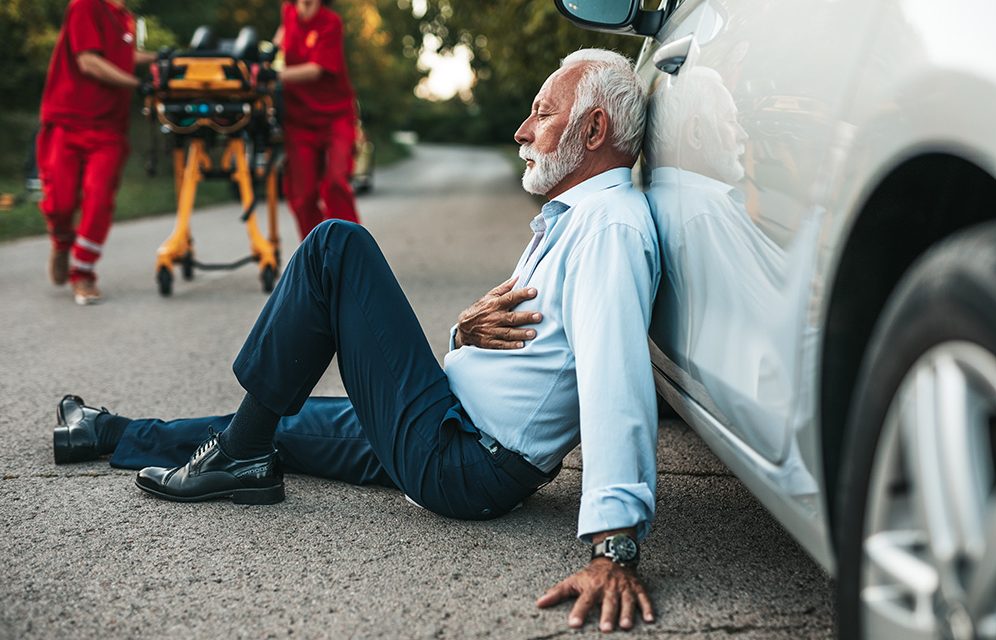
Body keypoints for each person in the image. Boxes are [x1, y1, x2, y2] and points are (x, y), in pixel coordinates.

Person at [52, 49, 659, 632]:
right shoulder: (576, 221)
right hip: (447, 420)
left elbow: (616, 381)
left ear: (594, 127)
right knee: (272, 425)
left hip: (465, 460)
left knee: (336, 247)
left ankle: (240, 456)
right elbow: (532, 355)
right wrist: (462, 334)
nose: (523, 131)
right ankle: (110, 432)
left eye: (543, 113)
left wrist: (615, 545)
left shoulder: (609, 231)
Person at [36, 0, 156, 305]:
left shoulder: (124, 17)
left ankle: (84, 272)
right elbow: (88, 61)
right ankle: (62, 240)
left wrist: (161, 59)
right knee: (60, 201)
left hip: (109, 128)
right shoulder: (85, 5)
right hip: (68, 118)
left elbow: (124, 57)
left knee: (99, 197)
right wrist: (137, 84)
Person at [274, 0, 360, 239]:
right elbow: (279, 44)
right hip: (299, 120)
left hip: (335, 117)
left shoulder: (330, 22)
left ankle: (349, 249)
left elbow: (316, 70)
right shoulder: (288, 14)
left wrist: (273, 75)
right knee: (302, 196)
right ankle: (315, 253)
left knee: (335, 183)